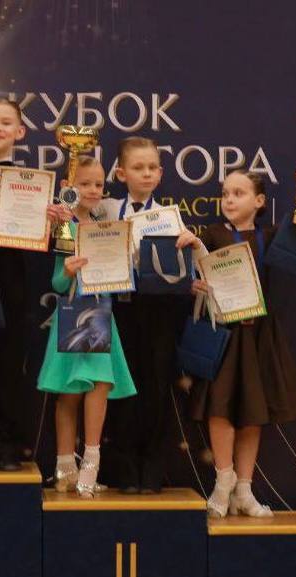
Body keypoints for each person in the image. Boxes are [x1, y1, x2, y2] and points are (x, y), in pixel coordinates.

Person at [190, 170, 296, 517]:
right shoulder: (211, 234)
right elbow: (192, 271)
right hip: (224, 334)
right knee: (219, 408)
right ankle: (223, 482)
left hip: (259, 334)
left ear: (259, 201)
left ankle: (244, 490)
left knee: (252, 413)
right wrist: (193, 283)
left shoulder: (270, 235)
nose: (229, 199)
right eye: (225, 193)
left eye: (239, 193)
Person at [98, 136, 198, 492]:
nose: (146, 173)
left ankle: (153, 468)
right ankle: (124, 469)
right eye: (138, 167)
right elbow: (76, 225)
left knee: (156, 387)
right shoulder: (106, 210)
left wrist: (189, 247)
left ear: (161, 173)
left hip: (159, 312)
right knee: (121, 388)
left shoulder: (170, 217)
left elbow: (184, 271)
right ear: (121, 173)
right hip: (119, 309)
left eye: (152, 167)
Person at [38, 156, 136, 496]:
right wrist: (68, 271)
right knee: (69, 392)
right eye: (85, 184)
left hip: (101, 313)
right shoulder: (64, 225)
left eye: (98, 184)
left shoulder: (103, 224)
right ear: (68, 187)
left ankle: (91, 463)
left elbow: (122, 276)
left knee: (100, 385)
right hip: (74, 313)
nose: (93, 190)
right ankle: (65, 467)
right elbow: (57, 282)